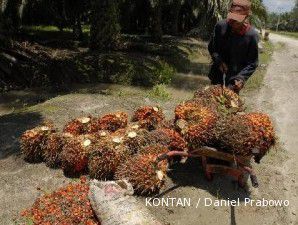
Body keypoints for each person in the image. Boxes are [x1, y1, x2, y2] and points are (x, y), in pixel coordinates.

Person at [208, 0, 259, 93]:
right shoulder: (221, 26)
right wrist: (219, 61)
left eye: (237, 20)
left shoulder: (251, 35)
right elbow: (212, 47)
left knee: (230, 102)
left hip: (235, 78)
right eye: (232, 17)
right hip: (217, 73)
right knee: (213, 98)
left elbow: (252, 63)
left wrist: (241, 78)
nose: (233, 22)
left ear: (246, 17)